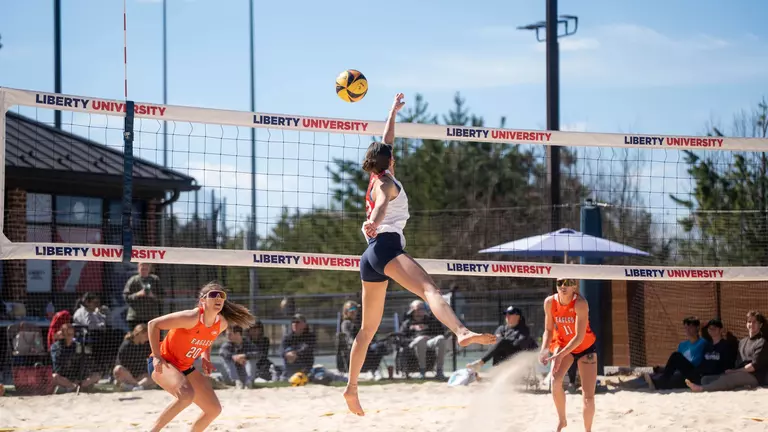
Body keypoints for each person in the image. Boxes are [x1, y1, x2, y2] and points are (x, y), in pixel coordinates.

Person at [342, 93, 497, 416]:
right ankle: (461, 332)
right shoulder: (387, 184)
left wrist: (392, 113)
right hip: (385, 246)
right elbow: (382, 205)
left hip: (369, 256)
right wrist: (374, 222)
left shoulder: (376, 176)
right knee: (430, 290)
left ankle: (351, 387)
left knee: (367, 330)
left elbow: (386, 141)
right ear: (390, 161)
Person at [146, 282, 255, 432]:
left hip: (184, 367)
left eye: (221, 295)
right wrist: (157, 356)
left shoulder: (221, 323)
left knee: (213, 409)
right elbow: (153, 324)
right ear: (203, 300)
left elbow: (207, 338)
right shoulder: (191, 317)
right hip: (163, 362)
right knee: (186, 396)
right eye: (213, 295)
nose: (218, 298)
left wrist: (206, 358)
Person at [539, 278, 598, 432]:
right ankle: (562, 420)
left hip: (585, 347)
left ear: (575, 286)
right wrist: (544, 349)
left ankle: (588, 430)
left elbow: (579, 337)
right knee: (555, 381)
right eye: (560, 283)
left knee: (588, 396)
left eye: (568, 283)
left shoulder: (580, 303)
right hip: (564, 344)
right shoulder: (550, 302)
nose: (563, 286)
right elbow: (548, 330)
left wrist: (559, 355)